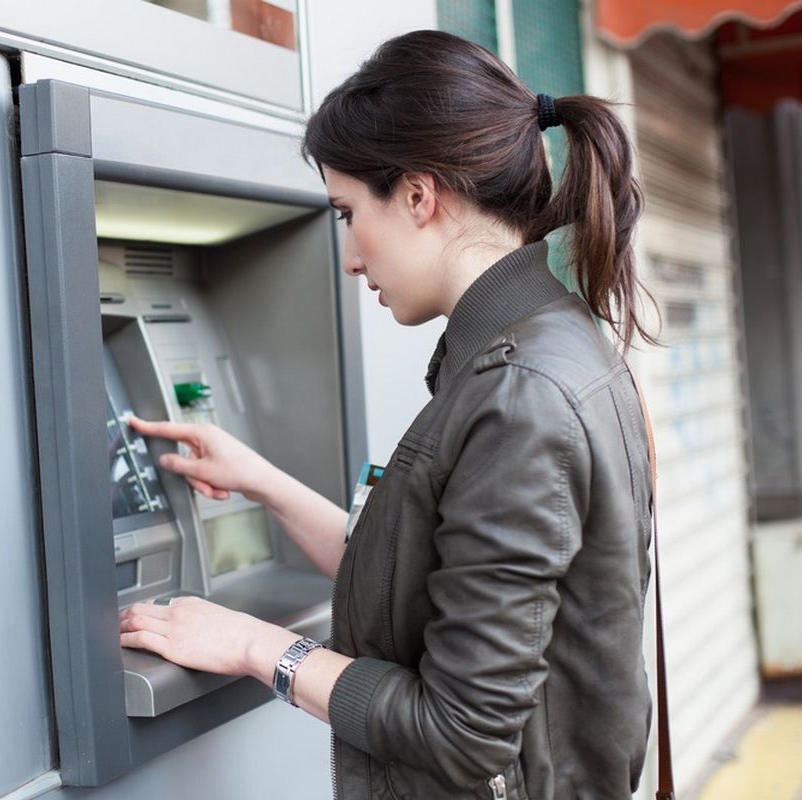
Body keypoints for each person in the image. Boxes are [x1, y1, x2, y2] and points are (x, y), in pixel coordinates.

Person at [120, 29, 657, 800]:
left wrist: (251, 642)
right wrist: (260, 480)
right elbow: (433, 584)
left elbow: (461, 732)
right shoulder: (552, 344)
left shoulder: (518, 398)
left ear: (417, 194)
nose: (349, 256)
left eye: (345, 213)